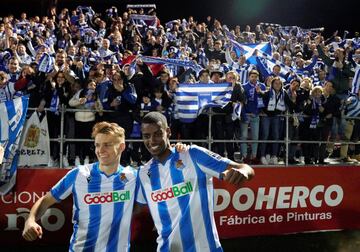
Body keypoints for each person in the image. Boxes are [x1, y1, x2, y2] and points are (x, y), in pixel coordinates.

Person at [137, 111, 255, 252]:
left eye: (157, 134)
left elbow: (245, 168)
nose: (152, 141)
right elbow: (135, 208)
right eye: (146, 136)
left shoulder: (192, 155)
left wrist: (243, 172)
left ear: (168, 132)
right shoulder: (143, 173)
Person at [22, 122, 139, 251]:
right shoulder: (79, 174)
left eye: (107, 145)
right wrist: (30, 220)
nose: (100, 150)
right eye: (97, 145)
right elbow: (45, 200)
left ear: (122, 147)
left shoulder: (132, 177)